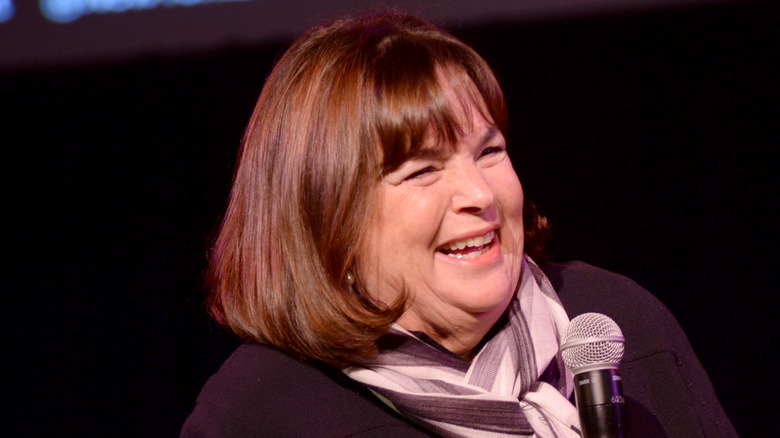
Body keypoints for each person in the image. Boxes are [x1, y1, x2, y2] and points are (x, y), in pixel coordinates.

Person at [181, 12, 736, 438]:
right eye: (422, 170)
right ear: (328, 218)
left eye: (489, 151)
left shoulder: (616, 321)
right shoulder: (261, 412)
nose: (478, 194)